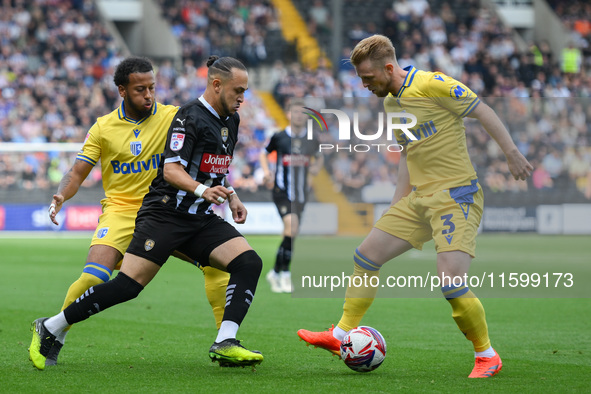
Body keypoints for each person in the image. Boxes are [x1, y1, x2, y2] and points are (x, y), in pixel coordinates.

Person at [297, 35, 533, 378]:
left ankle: (486, 355)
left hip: (455, 196)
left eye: (368, 78)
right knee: (366, 256)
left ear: (388, 68)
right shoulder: (391, 104)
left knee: (451, 282)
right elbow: (408, 154)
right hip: (418, 199)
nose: (365, 86)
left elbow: (482, 109)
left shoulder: (433, 84)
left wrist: (511, 153)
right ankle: (340, 335)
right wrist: (396, 207)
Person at [29, 56, 263, 369]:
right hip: (140, 210)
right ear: (123, 91)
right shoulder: (108, 126)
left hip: (190, 212)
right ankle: (54, 329)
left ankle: (226, 341)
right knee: (107, 280)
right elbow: (79, 171)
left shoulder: (181, 116)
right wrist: (62, 195)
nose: (149, 95)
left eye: (152, 87)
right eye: (141, 89)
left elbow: (212, 166)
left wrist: (230, 194)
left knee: (243, 262)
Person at [260, 99, 322, 293]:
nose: (298, 116)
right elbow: (264, 153)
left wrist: (315, 168)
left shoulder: (312, 139)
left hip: (301, 194)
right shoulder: (279, 137)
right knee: (292, 227)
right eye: (295, 112)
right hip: (282, 191)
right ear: (288, 114)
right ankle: (285, 274)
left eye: (302, 113)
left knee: (291, 234)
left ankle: (275, 272)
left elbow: (319, 157)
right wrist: (266, 172)